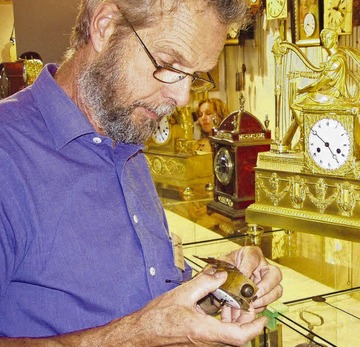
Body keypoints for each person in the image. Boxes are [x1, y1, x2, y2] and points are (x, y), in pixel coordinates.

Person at [0, 0, 282, 345]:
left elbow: (144, 305)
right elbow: (141, 329)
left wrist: (217, 288)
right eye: (167, 64)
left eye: (193, 77)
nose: (181, 98)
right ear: (105, 26)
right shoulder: (8, 154)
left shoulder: (124, 137)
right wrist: (136, 337)